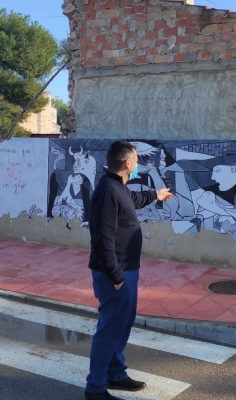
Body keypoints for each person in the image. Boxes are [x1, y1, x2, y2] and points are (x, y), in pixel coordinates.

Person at [85, 140, 173, 400]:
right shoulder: (107, 192)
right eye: (136, 160)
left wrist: (156, 195)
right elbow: (103, 239)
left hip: (126, 271)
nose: (138, 165)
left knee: (121, 326)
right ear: (127, 163)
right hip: (115, 275)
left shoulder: (119, 187)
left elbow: (134, 199)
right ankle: (95, 388)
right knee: (110, 329)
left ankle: (115, 373)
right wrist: (116, 276)